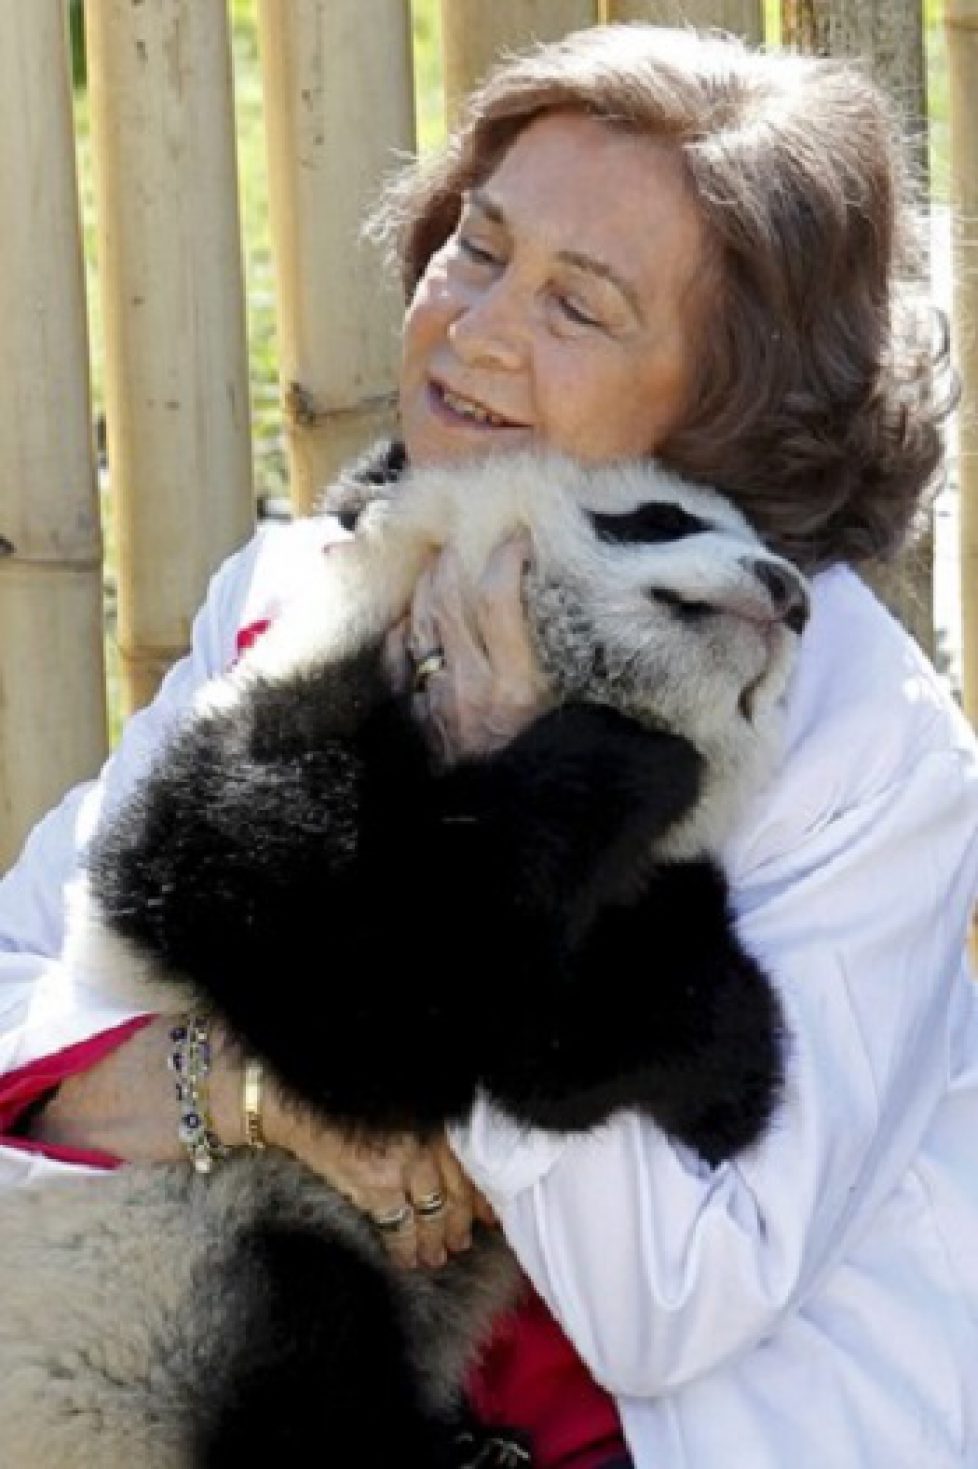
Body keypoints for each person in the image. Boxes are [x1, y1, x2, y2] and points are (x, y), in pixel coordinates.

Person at [1, 22, 976, 1469]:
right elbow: (31, 991)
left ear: (729, 406)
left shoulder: (862, 749)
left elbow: (667, 1302)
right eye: (477, 246)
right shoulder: (304, 590)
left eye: (578, 305)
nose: (473, 328)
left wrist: (502, 770)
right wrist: (260, 1095)